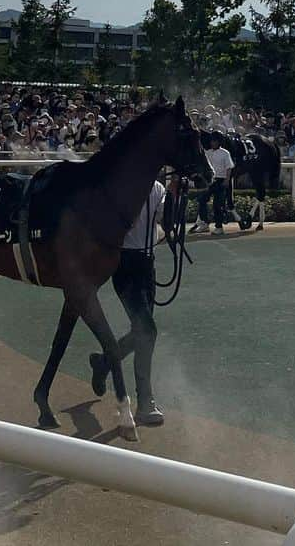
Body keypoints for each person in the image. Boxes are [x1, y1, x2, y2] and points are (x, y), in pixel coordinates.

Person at [88, 177, 167, 426]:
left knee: (141, 332)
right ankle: (145, 401)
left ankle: (103, 363)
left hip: (147, 264)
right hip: (124, 264)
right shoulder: (119, 186)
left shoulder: (157, 188)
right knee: (147, 330)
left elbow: (168, 222)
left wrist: (175, 195)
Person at [191, 132, 234, 237]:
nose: (212, 142)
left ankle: (219, 227)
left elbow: (229, 168)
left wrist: (227, 180)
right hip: (210, 181)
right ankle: (204, 223)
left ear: (219, 142)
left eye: (215, 141)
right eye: (212, 140)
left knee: (217, 205)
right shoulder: (207, 152)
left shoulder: (225, 153)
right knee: (201, 200)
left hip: (220, 180)